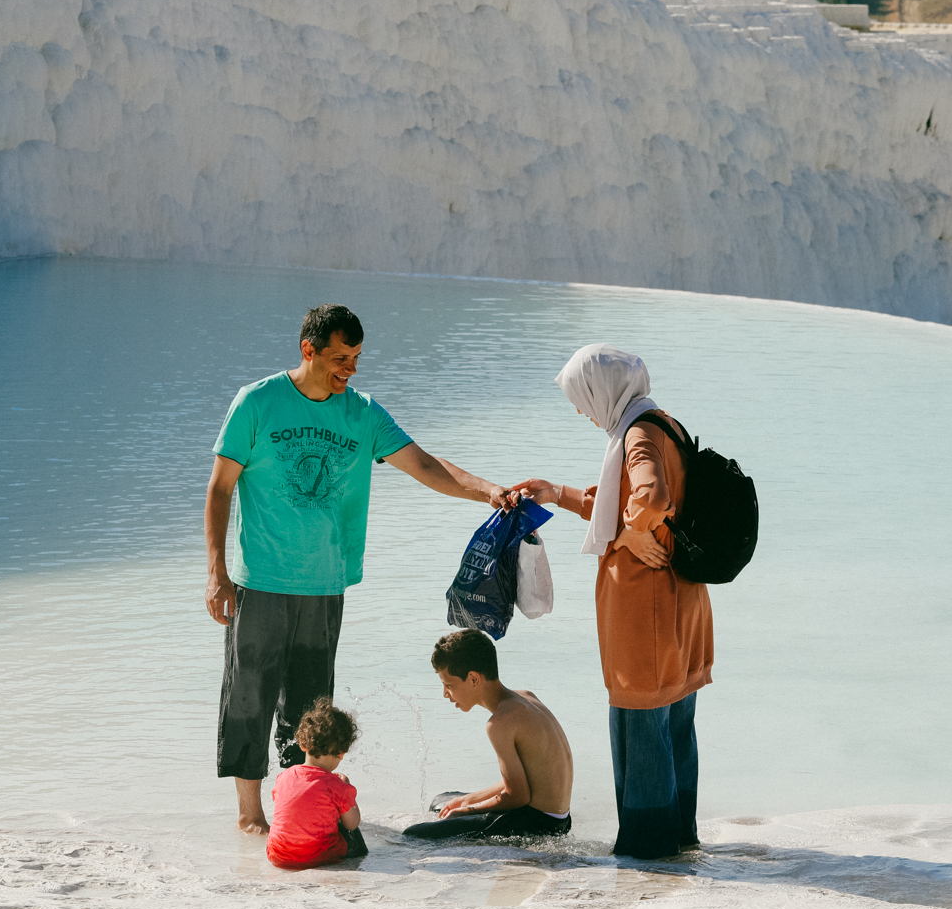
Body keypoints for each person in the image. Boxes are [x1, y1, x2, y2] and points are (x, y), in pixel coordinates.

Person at [206, 303, 512, 834]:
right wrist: (216, 572)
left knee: (309, 708)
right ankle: (250, 816)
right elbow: (219, 488)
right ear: (309, 350)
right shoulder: (257, 403)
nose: (350, 369)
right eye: (341, 357)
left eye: (357, 359)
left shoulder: (362, 413)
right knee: (248, 697)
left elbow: (425, 465)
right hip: (259, 580)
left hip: (325, 584)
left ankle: (295, 809)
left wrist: (489, 491)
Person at [510, 344, 712, 860]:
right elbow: (621, 500)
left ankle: (648, 853)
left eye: (583, 397)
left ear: (604, 390)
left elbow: (650, 499)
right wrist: (557, 492)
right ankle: (678, 840)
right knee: (673, 724)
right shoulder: (662, 422)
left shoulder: (638, 435)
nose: (582, 409)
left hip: (645, 609)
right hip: (680, 600)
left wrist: (624, 537)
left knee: (639, 724)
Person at [402, 628, 574, 841]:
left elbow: (518, 795)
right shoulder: (527, 698)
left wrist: (467, 810)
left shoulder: (499, 723)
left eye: (448, 685)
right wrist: (468, 800)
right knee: (441, 801)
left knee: (413, 836)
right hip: (560, 819)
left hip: (538, 823)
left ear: (473, 679)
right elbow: (526, 780)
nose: (445, 694)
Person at [266, 698, 369, 869]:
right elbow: (352, 824)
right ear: (342, 753)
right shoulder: (338, 785)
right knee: (349, 830)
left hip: (278, 855)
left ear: (302, 744)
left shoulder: (283, 777)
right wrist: (348, 793)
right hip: (318, 857)